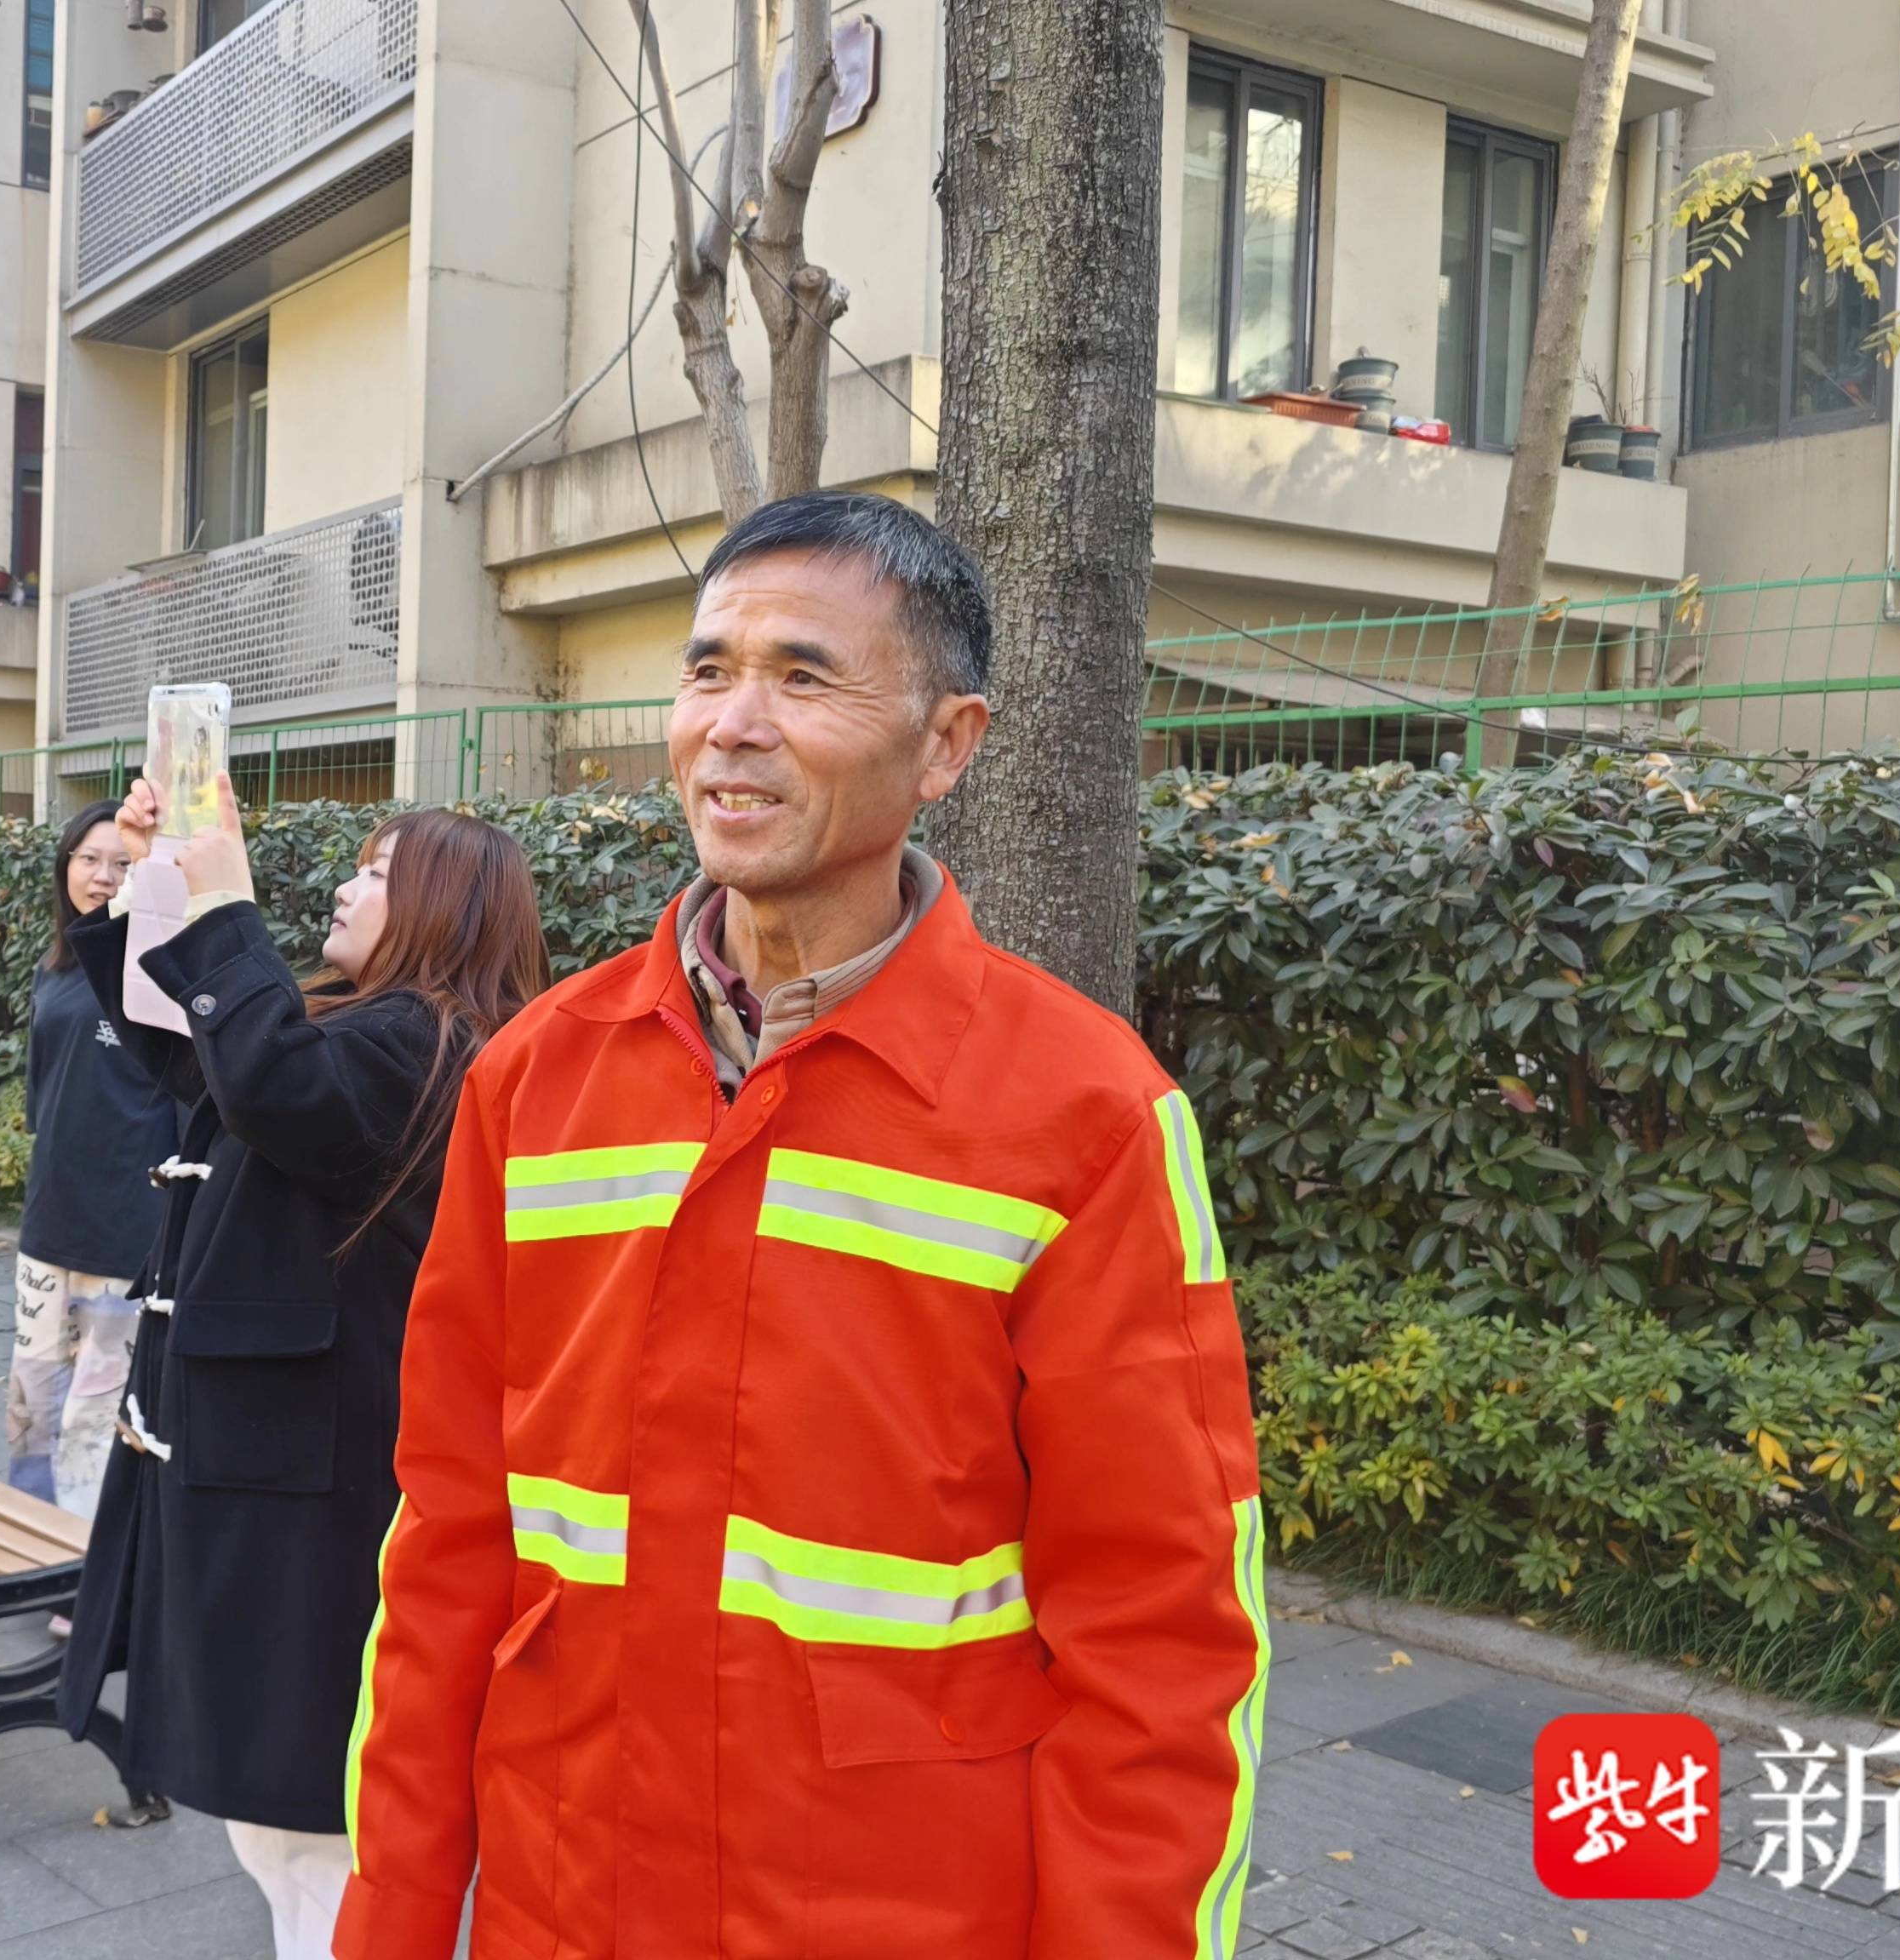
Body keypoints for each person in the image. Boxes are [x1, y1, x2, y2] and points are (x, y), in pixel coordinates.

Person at [336, 494, 1269, 1960]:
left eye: (803, 675)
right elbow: (448, 1535)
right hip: (563, 1903)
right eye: (708, 669)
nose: (733, 724)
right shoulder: (537, 1077)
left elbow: (1162, 1627)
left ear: (947, 744)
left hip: (903, 1914)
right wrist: (389, 1919)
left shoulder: (1084, 1114)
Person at [54, 789, 547, 1960]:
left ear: (443, 909)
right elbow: (200, 1056)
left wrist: (226, 901)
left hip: (315, 1498)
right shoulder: (373, 1030)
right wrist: (154, 879)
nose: (342, 885)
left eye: (375, 873)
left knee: (315, 1830)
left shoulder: (429, 1044)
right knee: (283, 1831)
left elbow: (274, 1081)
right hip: (280, 1478)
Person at [7, 803, 175, 1515]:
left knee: (96, 1403)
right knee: (31, 1391)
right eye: (88, 859)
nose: (103, 876)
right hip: (52, 1214)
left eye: (122, 863)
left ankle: (80, 1557)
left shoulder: (157, 971)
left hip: (127, 1223)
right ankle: (24, 1531)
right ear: (65, 868)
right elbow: (41, 1095)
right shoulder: (56, 968)